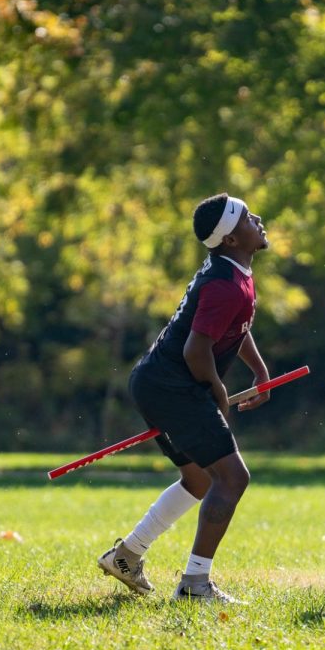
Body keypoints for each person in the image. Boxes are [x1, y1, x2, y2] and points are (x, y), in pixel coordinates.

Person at [98, 193, 271, 604]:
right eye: (247, 217)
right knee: (232, 478)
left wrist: (259, 370)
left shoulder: (234, 272)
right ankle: (195, 585)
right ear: (230, 239)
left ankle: (127, 555)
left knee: (199, 479)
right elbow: (197, 350)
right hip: (174, 387)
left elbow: (234, 328)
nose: (257, 219)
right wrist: (217, 389)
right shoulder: (226, 284)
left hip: (159, 383)